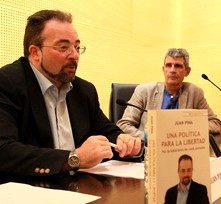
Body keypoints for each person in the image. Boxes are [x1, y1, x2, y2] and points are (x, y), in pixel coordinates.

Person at [0, 10, 142, 177]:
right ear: (35, 52)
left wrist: (123, 141)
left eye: (76, 47)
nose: (74, 55)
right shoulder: (7, 82)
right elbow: (4, 151)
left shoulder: (84, 90)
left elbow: (106, 131)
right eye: (63, 47)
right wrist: (73, 159)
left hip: (80, 189)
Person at [117, 48, 221, 141]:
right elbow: (123, 125)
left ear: (187, 71)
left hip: (181, 151)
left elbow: (215, 123)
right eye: (168, 65)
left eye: (178, 66)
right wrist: (149, 138)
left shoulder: (195, 92)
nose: (172, 70)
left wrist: (189, 130)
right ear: (163, 69)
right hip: (148, 152)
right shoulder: (144, 91)